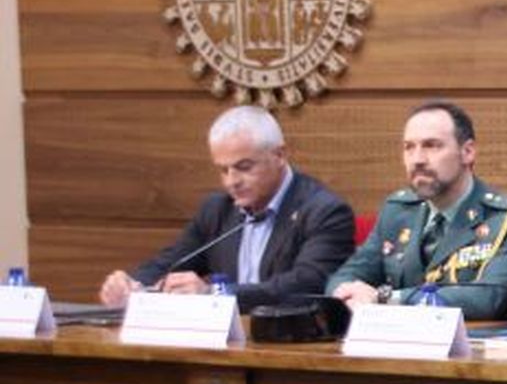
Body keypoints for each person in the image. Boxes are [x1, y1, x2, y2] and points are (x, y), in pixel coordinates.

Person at [98, 106, 355, 311]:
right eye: (223, 170)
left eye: (244, 167)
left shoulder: (324, 211)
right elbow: (172, 261)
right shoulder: (218, 209)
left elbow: (305, 286)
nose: (232, 181)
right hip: (227, 342)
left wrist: (215, 294)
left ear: (279, 156)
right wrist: (134, 284)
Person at [327, 100, 507, 319]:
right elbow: (345, 277)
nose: (417, 159)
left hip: (469, 348)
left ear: (467, 152)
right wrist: (349, 294)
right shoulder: (397, 211)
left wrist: (387, 298)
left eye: (431, 145)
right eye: (409, 147)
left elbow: (489, 298)